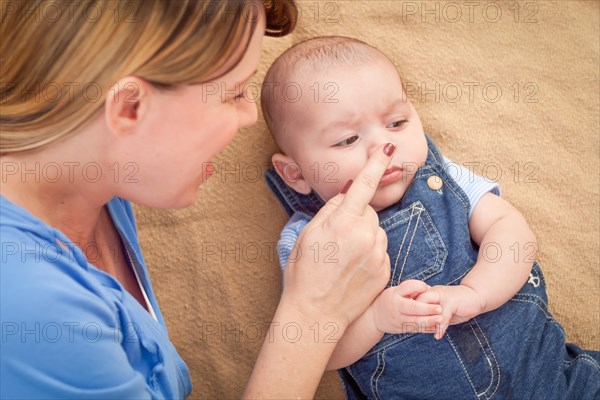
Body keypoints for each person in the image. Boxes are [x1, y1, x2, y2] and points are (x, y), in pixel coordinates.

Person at [0, 2, 396, 398]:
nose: (250, 116)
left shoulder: (100, 186)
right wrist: (313, 314)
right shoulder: (31, 306)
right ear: (129, 108)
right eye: (235, 93)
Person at [261, 36, 600, 398]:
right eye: (347, 140)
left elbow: (513, 235)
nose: (382, 148)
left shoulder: (444, 179)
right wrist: (375, 320)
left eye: (397, 123)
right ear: (295, 173)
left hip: (554, 380)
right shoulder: (306, 241)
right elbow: (317, 351)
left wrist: (476, 292)